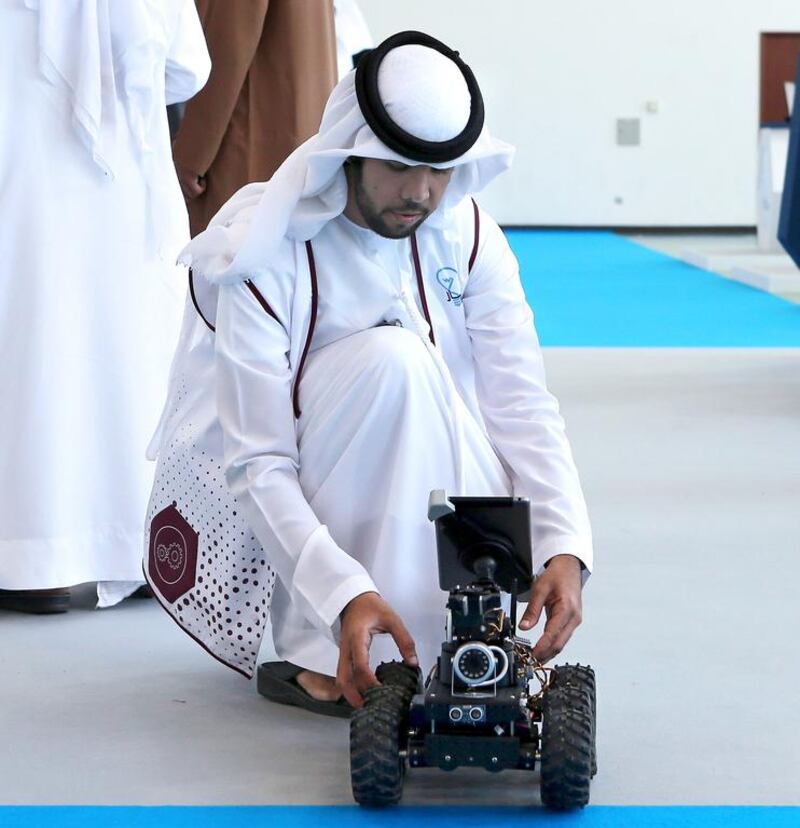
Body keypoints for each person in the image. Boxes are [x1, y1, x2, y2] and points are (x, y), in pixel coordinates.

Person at [143, 31, 592, 715]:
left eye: (440, 171)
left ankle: (457, 646)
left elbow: (522, 404)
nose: (420, 192)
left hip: (458, 496)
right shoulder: (265, 253)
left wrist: (563, 545)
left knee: (419, 375)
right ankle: (331, 651)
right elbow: (259, 460)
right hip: (314, 503)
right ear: (350, 149)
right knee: (393, 361)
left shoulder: (468, 236)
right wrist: (341, 593)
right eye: (399, 167)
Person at [0, 0, 210, 613]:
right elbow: (186, 66)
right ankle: (140, 546)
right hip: (124, 171)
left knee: (32, 322)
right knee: (123, 337)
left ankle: (30, 554)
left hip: (21, 157)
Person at [172, 0, 338, 237]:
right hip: (299, 141)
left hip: (244, 142)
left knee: (226, 257)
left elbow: (226, 46)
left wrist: (190, 157)